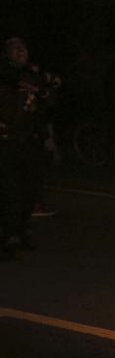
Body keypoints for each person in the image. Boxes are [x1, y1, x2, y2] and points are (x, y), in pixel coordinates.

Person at [0, 36, 60, 258]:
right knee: (9, 189)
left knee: (30, 188)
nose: (20, 52)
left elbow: (45, 107)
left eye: (23, 48)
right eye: (15, 49)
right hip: (7, 140)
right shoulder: (5, 75)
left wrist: (48, 137)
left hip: (31, 141)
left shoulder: (35, 75)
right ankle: (9, 234)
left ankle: (23, 229)